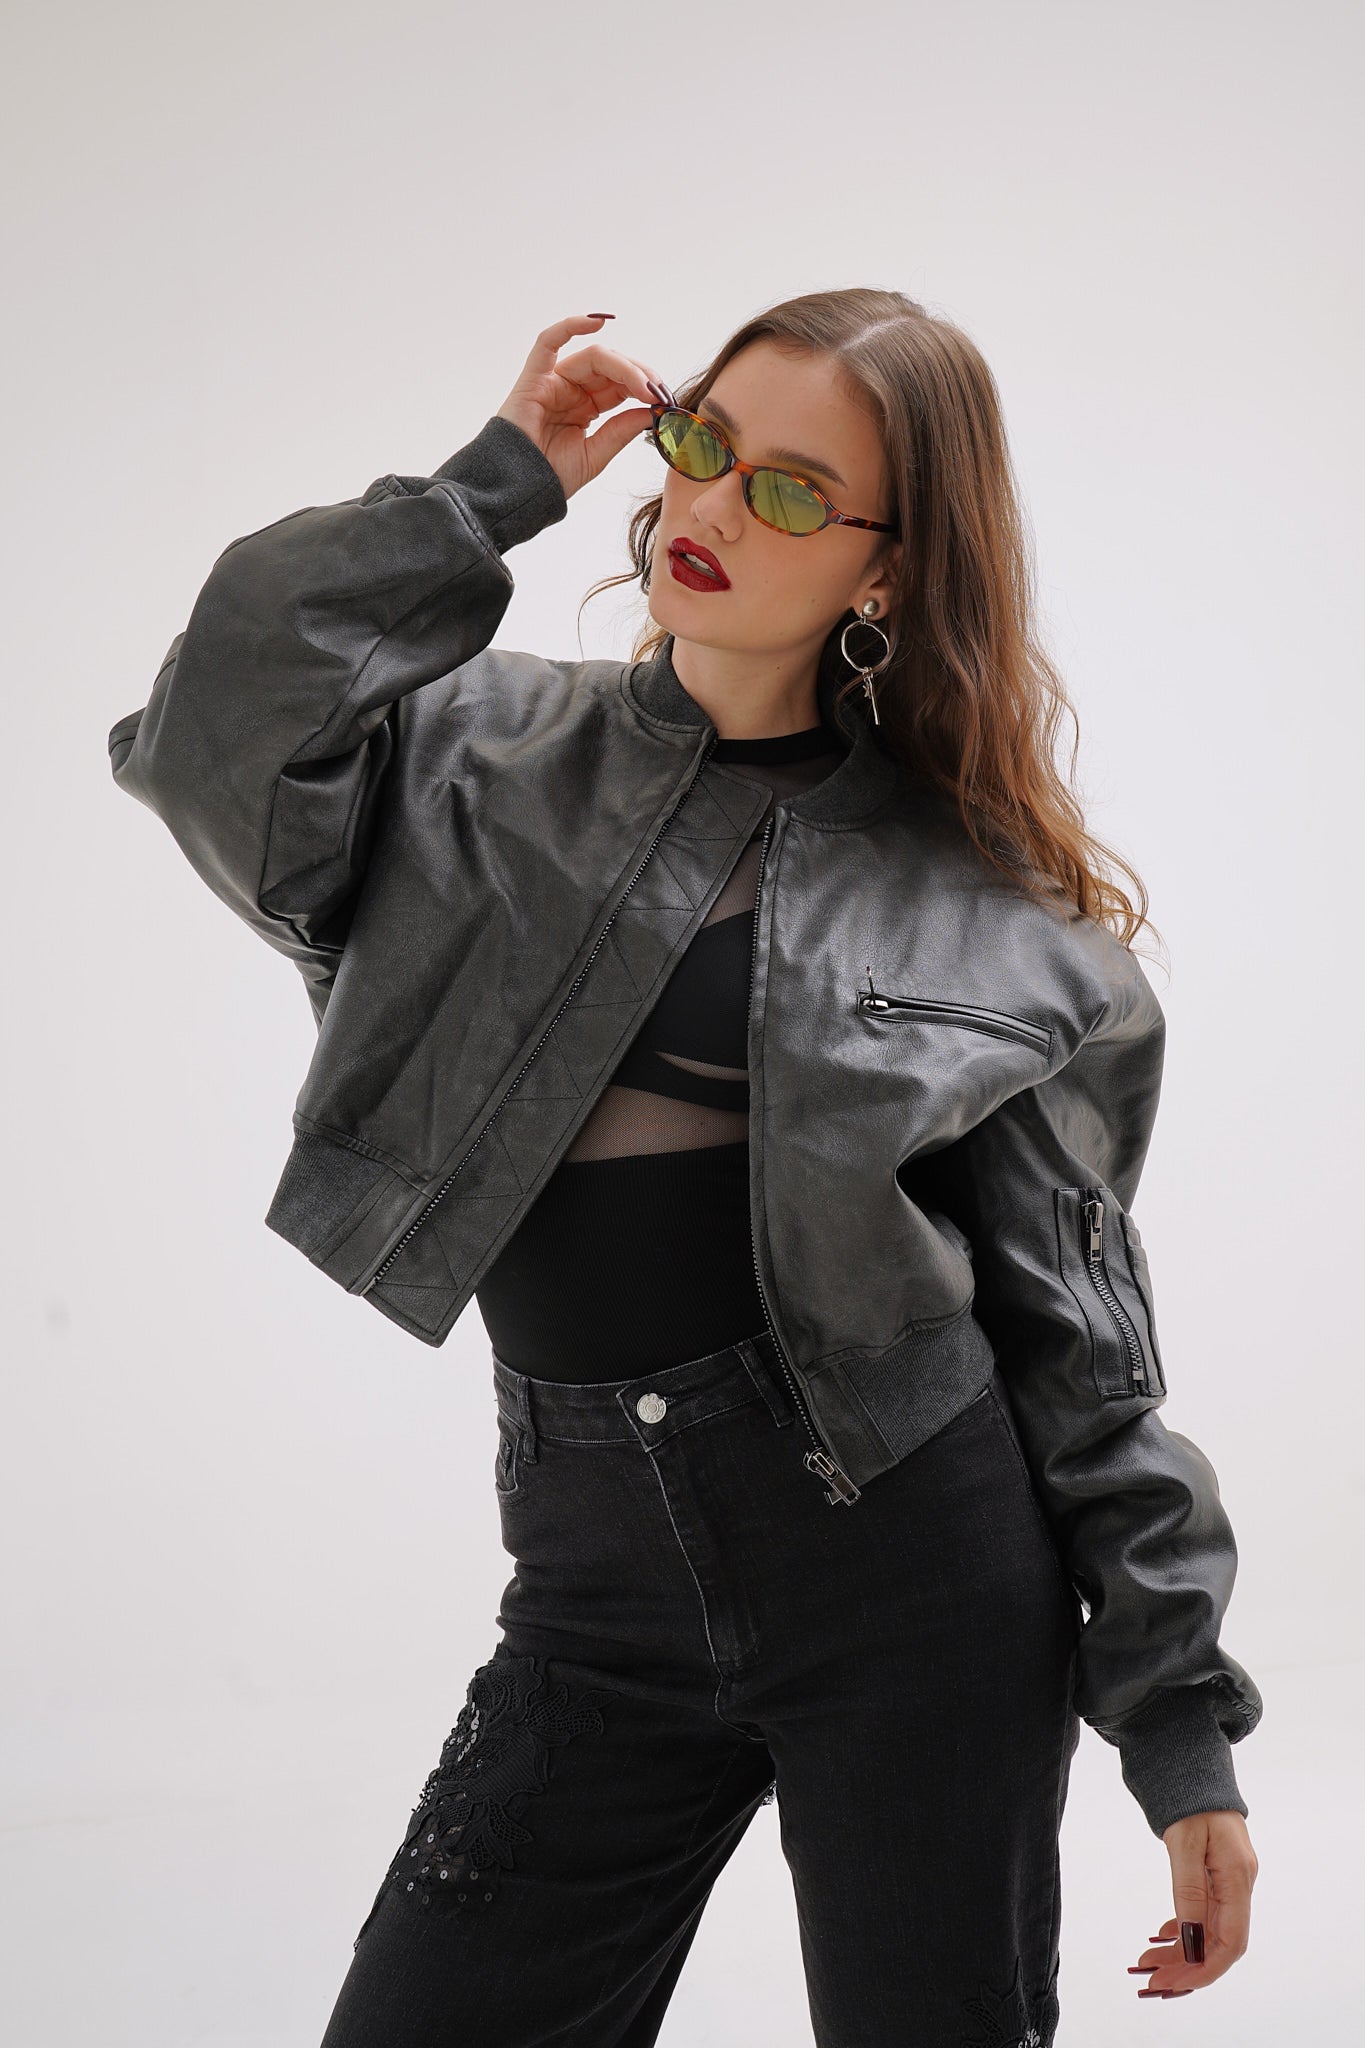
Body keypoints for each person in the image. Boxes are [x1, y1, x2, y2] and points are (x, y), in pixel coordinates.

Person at [108, 291, 1262, 2046]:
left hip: (917, 1580)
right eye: (704, 444)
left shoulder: (1004, 924)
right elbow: (213, 725)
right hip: (593, 1594)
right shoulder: (455, 756)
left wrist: (1179, 1735)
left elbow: (1084, 1359)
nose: (711, 507)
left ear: (888, 568)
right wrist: (490, 484)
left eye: (792, 491)